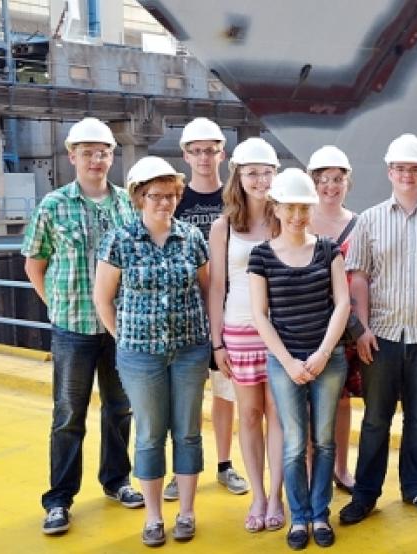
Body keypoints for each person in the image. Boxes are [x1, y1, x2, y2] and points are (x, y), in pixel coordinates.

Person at [22, 117, 143, 536]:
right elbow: (34, 263)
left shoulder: (128, 203)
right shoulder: (53, 205)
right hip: (73, 329)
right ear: (72, 155)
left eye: (104, 151)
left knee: (120, 409)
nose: (97, 158)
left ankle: (116, 481)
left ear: (113, 156)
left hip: (120, 328)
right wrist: (55, 305)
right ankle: (58, 500)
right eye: (88, 151)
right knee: (68, 414)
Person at [93, 157, 210, 546]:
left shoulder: (192, 237)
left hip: (190, 350)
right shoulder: (120, 239)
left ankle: (188, 513)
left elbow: (207, 289)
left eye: (172, 195)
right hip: (140, 357)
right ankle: (155, 517)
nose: (165, 202)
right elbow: (103, 299)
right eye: (156, 195)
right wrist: (126, 338)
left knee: (188, 433)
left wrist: (209, 337)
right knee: (149, 435)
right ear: (139, 197)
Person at [339, 134, 417, 525]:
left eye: (415, 168)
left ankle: (414, 487)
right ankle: (366, 493)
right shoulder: (369, 220)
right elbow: (358, 279)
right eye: (401, 168)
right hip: (382, 335)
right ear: (390, 172)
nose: (408, 174)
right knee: (375, 418)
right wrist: (363, 329)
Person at [248, 168, 351, 549]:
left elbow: (342, 303)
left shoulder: (327, 249)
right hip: (284, 362)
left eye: (303, 208)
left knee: (323, 441)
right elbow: (260, 315)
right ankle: (299, 516)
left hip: (328, 359)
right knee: (294, 442)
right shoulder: (261, 257)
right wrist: (289, 362)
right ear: (276, 208)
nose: (297, 216)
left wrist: (323, 354)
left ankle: (320, 513)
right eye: (290, 208)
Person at [164, 117, 250, 503]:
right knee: (182, 396)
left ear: (222, 153)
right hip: (182, 314)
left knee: (224, 393)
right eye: (196, 151)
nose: (203, 157)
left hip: (226, 311)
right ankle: (178, 469)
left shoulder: (233, 200)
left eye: (210, 150)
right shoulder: (173, 199)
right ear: (185, 155)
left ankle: (224, 464)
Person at [208, 137, 284, 532]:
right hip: (238, 332)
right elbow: (217, 285)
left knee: (280, 417)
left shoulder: (285, 219)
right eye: (252, 173)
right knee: (250, 416)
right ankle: (257, 493)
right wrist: (216, 342)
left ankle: (276, 496)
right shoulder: (224, 227)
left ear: (276, 174)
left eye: (266, 172)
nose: (259, 180)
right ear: (238, 176)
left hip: (281, 333)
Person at [305, 145, 365, 495]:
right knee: (309, 401)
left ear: (347, 182)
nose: (331, 186)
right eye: (325, 180)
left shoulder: (358, 224)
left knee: (342, 400)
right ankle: (314, 470)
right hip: (307, 323)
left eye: (338, 179)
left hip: (346, 327)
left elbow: (364, 276)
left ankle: (341, 467)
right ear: (314, 182)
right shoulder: (299, 219)